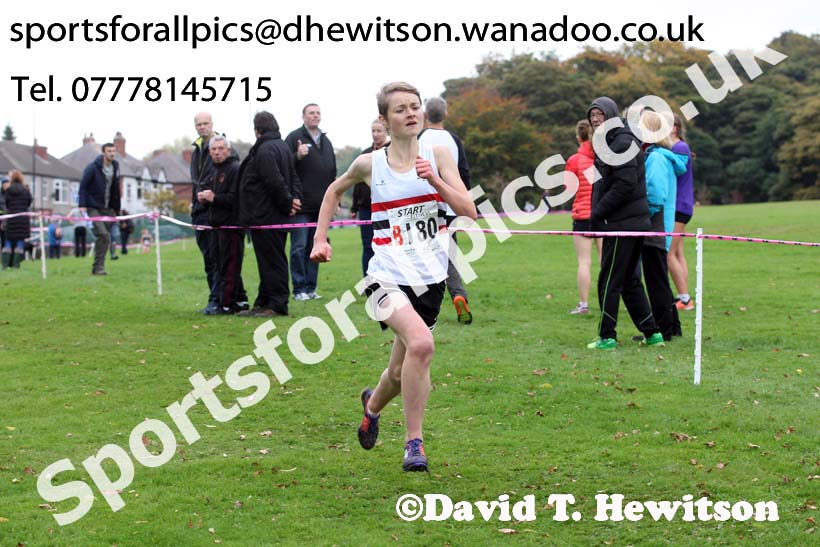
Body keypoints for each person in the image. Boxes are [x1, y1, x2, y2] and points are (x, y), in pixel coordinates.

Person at [310, 82, 477, 472]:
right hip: (384, 277)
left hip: (430, 280)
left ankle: (371, 407)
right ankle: (414, 443)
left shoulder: (437, 156)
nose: (411, 113)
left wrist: (435, 182)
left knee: (400, 372)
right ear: (385, 120)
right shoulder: (371, 164)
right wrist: (321, 237)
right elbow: (334, 191)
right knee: (421, 344)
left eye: (415, 106)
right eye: (400, 109)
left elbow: (468, 208)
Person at [586, 97, 664, 350]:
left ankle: (607, 337)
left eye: (600, 114)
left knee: (609, 280)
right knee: (629, 280)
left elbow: (625, 184)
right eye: (592, 115)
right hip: (625, 222)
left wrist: (598, 212)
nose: (595, 119)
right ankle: (653, 334)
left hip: (623, 224)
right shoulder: (608, 142)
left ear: (610, 115)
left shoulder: (622, 142)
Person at [238, 111, 301, 318]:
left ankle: (277, 303)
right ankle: (264, 300)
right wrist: (293, 201)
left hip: (266, 215)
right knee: (268, 260)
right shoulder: (282, 146)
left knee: (273, 261)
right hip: (274, 215)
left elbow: (274, 182)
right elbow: (292, 176)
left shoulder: (265, 150)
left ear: (257, 131)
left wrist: (287, 203)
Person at [418, 96, 474, 325]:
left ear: (424, 115)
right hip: (450, 207)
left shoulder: (419, 138)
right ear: (446, 114)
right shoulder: (453, 139)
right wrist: (464, 201)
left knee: (423, 256)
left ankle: (423, 303)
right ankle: (458, 293)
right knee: (448, 253)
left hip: (423, 210)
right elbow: (464, 172)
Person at [640, 110, 688, 340]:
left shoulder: (657, 158)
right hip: (662, 226)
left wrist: (642, 216)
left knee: (655, 281)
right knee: (660, 278)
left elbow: (655, 195)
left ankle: (663, 330)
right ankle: (673, 326)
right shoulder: (661, 155)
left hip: (655, 227)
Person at [286, 104, 336, 301]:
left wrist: (335, 197)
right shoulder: (293, 138)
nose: (315, 116)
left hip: (321, 206)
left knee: (316, 248)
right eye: (311, 113)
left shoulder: (326, 141)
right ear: (303, 116)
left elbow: (332, 172)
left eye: (318, 113)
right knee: (298, 247)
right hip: (301, 205)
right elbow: (284, 165)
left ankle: (311, 287)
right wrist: (297, 156)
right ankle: (299, 289)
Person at [197, 135, 248, 315]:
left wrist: (214, 198)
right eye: (213, 149)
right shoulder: (214, 170)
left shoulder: (235, 168)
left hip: (231, 226)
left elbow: (236, 199)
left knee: (230, 267)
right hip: (216, 226)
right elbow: (211, 194)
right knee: (219, 265)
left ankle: (226, 305)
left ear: (228, 150)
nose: (217, 152)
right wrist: (203, 198)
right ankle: (239, 300)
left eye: (220, 149)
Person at [566, 119, 602, 315]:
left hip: (582, 215)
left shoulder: (574, 160)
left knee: (584, 262)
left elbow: (568, 188)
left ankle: (584, 304)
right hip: (603, 214)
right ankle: (609, 301)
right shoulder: (603, 157)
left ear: (579, 137)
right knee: (606, 261)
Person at [190, 112, 221, 314]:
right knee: (208, 260)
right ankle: (215, 297)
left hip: (216, 213)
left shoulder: (221, 147)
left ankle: (218, 300)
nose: (202, 127)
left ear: (212, 124)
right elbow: (195, 182)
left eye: (205, 123)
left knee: (217, 260)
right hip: (199, 213)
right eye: (199, 124)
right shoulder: (197, 150)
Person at [350, 119, 389, 276]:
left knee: (386, 245)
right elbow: (356, 183)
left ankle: (388, 279)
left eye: (379, 131)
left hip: (386, 207)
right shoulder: (365, 154)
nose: (375, 134)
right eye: (373, 131)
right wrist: (354, 207)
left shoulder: (392, 152)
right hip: (366, 208)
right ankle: (368, 280)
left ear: (386, 131)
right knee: (367, 245)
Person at [78, 142, 120, 276]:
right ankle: (98, 267)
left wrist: (116, 208)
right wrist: (82, 205)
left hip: (108, 208)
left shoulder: (115, 166)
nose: (112, 153)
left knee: (105, 238)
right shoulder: (93, 168)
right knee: (102, 234)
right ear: (103, 152)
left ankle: (98, 268)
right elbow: (83, 186)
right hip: (93, 206)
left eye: (113, 151)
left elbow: (115, 188)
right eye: (109, 151)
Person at [668, 115, 695, 311]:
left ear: (675, 127)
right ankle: (683, 296)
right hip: (682, 205)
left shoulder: (679, 148)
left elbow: (676, 173)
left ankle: (685, 299)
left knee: (667, 253)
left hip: (678, 206)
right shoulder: (677, 148)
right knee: (677, 252)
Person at [1, 171, 32, 269]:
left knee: (8, 241)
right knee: (20, 241)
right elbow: (29, 202)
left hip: (11, 218)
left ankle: (5, 265)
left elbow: (6, 203)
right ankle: (16, 265)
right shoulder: (26, 190)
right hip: (22, 219)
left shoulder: (8, 190)